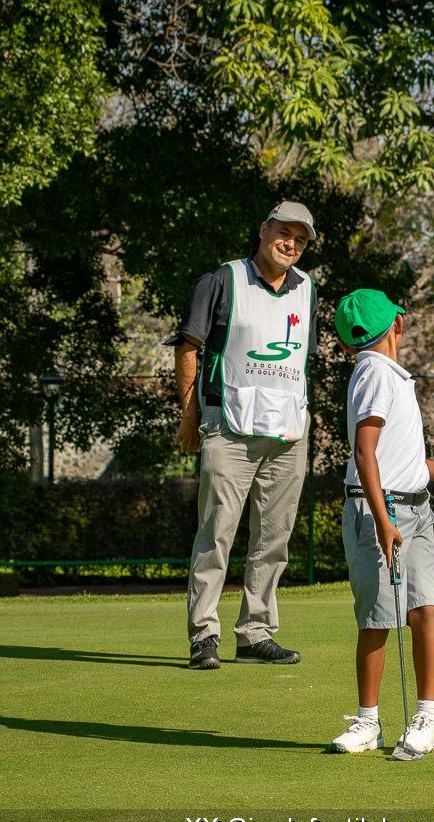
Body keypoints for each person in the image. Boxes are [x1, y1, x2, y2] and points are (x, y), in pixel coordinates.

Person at [326, 289, 434, 757]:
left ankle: (426, 719)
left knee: (424, 610)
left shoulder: (391, 377)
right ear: (398, 324)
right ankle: (368, 722)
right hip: (381, 511)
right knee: (378, 619)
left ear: (347, 342)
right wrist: (383, 520)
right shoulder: (376, 373)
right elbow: (365, 454)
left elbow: (404, 462)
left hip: (416, 510)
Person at [166, 202, 318, 670]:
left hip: (288, 433)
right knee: (216, 535)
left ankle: (255, 633)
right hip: (229, 427)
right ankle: (203, 636)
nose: (291, 243)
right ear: (264, 229)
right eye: (284, 232)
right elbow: (188, 347)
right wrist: (189, 415)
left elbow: (297, 360)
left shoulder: (307, 288)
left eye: (300, 239)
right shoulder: (222, 280)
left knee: (274, 539)